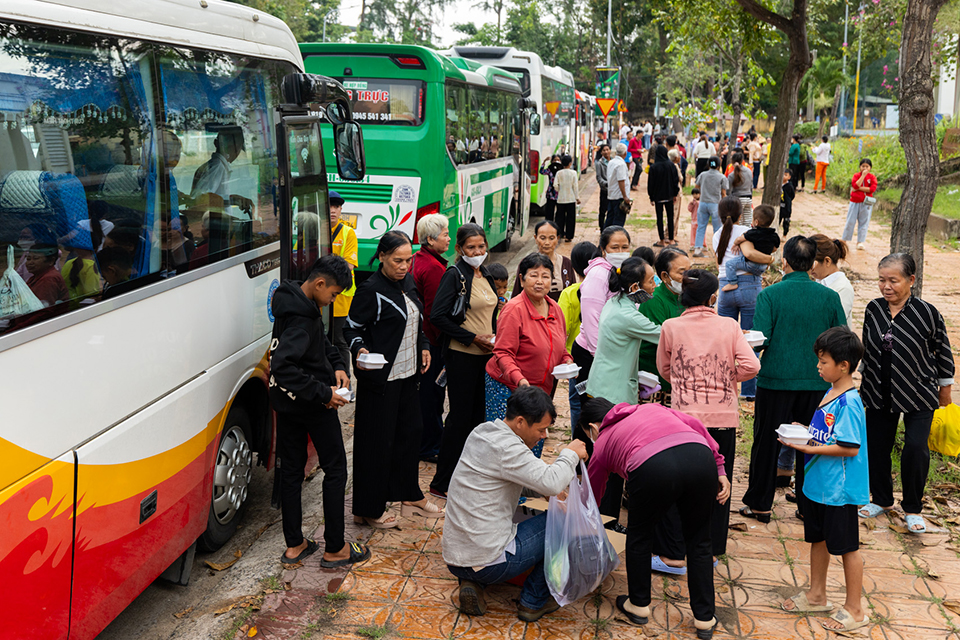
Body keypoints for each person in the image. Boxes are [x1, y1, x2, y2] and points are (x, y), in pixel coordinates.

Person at [583, 397, 729, 640]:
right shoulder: (651, 407)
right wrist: (720, 467)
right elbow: (696, 425)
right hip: (699, 456)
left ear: (593, 428)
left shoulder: (602, 441)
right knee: (700, 540)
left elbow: (593, 491)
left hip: (651, 465)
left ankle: (638, 605)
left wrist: (582, 516)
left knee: (640, 536)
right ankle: (705, 618)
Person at [443, 386, 589, 623]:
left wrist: (542, 491)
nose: (545, 436)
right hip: (489, 560)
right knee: (564, 521)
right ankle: (533, 601)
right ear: (521, 422)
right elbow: (552, 482)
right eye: (541, 429)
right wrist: (570, 454)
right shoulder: (508, 448)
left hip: (455, 556)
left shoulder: (484, 432)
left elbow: (508, 478)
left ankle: (473, 581)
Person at [269, 254, 371, 568]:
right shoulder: (302, 317)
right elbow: (282, 366)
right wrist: (324, 392)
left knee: (290, 470)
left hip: (287, 404)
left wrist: (338, 366)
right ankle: (335, 548)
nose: (332, 300)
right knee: (336, 469)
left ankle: (295, 545)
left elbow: (322, 344)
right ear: (320, 283)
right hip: (312, 404)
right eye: (334, 294)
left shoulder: (297, 302)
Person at [739, 236, 847, 524]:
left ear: (784, 261)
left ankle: (760, 504)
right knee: (812, 444)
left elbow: (760, 339)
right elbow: (841, 338)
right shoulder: (829, 297)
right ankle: (807, 505)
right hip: (817, 382)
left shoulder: (770, 296)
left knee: (766, 443)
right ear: (812, 263)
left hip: (775, 380)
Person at [657, 269, 760, 560]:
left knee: (678, 484)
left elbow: (665, 369)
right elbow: (752, 366)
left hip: (684, 418)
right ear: (713, 297)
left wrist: (683, 382)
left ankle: (673, 553)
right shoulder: (728, 326)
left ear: (683, 295)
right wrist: (729, 376)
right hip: (722, 417)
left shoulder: (671, 326)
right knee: (719, 481)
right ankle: (712, 551)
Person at [344, 230, 443, 529]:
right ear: (382, 257)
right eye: (397, 260)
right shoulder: (370, 290)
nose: (404, 266)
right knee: (376, 443)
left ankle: (409, 494)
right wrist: (360, 348)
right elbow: (350, 328)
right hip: (381, 381)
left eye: (408, 260)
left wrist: (424, 346)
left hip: (408, 376)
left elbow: (417, 322)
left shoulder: (409, 282)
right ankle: (367, 509)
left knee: (410, 434)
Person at [779, 327, 870, 633]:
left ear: (844, 365)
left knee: (847, 547)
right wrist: (805, 430)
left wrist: (806, 446)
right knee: (817, 539)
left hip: (838, 491)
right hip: (818, 486)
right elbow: (827, 434)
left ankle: (855, 609)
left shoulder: (849, 402)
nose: (818, 367)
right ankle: (817, 595)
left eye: (823, 362)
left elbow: (849, 446)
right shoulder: (830, 392)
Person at [857, 253, 954, 532]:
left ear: (911, 280)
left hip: (919, 391)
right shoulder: (874, 309)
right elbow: (867, 347)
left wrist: (945, 390)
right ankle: (882, 499)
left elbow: (944, 353)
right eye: (881, 280)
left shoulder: (927, 313)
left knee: (914, 448)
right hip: (878, 389)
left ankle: (912, 508)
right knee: (877, 446)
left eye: (893, 280)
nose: (886, 286)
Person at [429, 224, 498, 499]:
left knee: (477, 420)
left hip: (486, 358)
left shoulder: (486, 274)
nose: (477, 252)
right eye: (471, 248)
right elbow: (438, 316)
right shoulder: (455, 275)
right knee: (458, 420)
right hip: (463, 357)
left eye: (481, 246)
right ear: (459, 249)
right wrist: (471, 338)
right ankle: (441, 482)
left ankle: (467, 476)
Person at [485, 253, 574, 458]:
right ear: (522, 278)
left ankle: (527, 488)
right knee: (507, 445)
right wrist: (519, 380)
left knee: (534, 438)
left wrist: (566, 360)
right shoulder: (513, 310)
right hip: (507, 387)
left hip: (540, 390)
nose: (540, 281)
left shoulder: (555, 308)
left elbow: (560, 345)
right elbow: (503, 352)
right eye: (534, 275)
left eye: (545, 276)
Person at [713, 197, 774, 402]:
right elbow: (753, 255)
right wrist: (770, 260)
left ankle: (723, 385)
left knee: (724, 341)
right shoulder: (745, 232)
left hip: (725, 288)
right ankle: (749, 391)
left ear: (719, 215)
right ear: (742, 215)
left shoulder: (716, 235)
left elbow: (719, 263)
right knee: (751, 341)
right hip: (749, 286)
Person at [586, 257, 661, 406]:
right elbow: (663, 335)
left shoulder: (614, 302)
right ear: (634, 288)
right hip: (613, 393)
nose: (655, 285)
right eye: (651, 281)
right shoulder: (628, 316)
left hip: (601, 383)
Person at [571, 226, 632, 391]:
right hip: (593, 354)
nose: (620, 252)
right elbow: (591, 320)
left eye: (625, 247)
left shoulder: (624, 272)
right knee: (593, 409)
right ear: (603, 250)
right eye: (615, 247)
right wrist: (601, 358)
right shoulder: (598, 274)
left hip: (614, 352)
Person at [412, 212, 451, 464]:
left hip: (421, 339)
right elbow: (435, 311)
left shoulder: (419, 260)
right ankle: (430, 445)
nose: (448, 238)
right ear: (430, 239)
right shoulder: (434, 268)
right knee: (432, 395)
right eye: (445, 234)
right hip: (432, 343)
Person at [636, 248, 691, 405]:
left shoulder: (686, 297)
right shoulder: (654, 301)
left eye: (690, 271)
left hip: (679, 374)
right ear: (665, 276)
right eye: (682, 273)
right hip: (656, 378)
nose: (688, 277)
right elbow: (664, 339)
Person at [558, 241, 601, 440]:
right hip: (598, 353)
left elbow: (561, 328)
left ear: (574, 267)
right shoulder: (603, 290)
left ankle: (578, 440)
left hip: (575, 358)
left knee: (577, 402)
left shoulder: (569, 293)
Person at [721, 205, 781, 292]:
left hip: (751, 264)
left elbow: (740, 238)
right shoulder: (774, 236)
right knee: (757, 270)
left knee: (730, 264)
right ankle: (758, 278)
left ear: (756, 222)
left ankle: (732, 283)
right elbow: (775, 248)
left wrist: (736, 243)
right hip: (763, 265)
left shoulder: (753, 233)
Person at [511, 220, 573, 302]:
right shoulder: (527, 263)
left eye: (551, 238)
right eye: (542, 238)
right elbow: (517, 293)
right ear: (536, 238)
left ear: (557, 239)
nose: (547, 243)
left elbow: (572, 293)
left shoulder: (566, 263)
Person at [809, 234, 854, 330]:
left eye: (812, 264)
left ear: (827, 261)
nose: (809, 268)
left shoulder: (842, 288)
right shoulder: (818, 282)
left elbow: (834, 322)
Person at [693, 156, 728, 257]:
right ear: (719, 165)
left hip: (703, 203)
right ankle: (718, 250)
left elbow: (696, 187)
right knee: (717, 228)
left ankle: (697, 249)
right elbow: (723, 193)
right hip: (715, 204)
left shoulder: (703, 175)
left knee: (701, 226)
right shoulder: (721, 177)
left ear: (708, 164)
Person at [648, 145, 680, 247]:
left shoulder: (653, 167)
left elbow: (650, 183)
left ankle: (661, 240)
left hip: (658, 197)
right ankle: (671, 239)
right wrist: (675, 193)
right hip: (670, 195)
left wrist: (651, 197)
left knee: (659, 218)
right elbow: (676, 181)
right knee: (670, 217)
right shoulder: (671, 165)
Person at [841, 159, 877, 251]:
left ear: (870, 168)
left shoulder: (872, 177)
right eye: (863, 166)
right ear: (860, 167)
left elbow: (872, 189)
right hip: (855, 201)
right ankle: (844, 240)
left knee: (864, 222)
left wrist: (858, 188)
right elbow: (855, 185)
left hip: (867, 202)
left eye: (867, 166)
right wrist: (863, 176)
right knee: (850, 221)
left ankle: (860, 241)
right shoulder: (856, 176)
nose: (865, 168)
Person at [554, 155, 580, 241]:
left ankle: (560, 234)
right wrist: (577, 198)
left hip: (561, 199)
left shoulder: (558, 173)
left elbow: (555, 185)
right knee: (570, 218)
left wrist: (560, 191)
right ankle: (569, 236)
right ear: (570, 163)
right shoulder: (573, 173)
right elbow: (575, 187)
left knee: (559, 218)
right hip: (571, 199)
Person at [606, 144, 632, 229]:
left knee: (610, 219)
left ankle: (606, 237)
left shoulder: (611, 162)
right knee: (618, 221)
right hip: (619, 196)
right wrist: (625, 196)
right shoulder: (621, 164)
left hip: (611, 195)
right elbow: (621, 181)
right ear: (625, 153)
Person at [727, 151, 754, 226]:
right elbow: (751, 185)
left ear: (732, 161)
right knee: (747, 222)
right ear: (742, 161)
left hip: (738, 199)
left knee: (738, 222)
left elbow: (728, 190)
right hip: (748, 198)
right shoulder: (749, 171)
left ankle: (739, 237)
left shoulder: (732, 175)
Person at [539, 155, 561, 221]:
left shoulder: (562, 170)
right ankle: (549, 223)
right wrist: (544, 161)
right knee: (549, 211)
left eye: (558, 160)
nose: (556, 161)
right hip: (550, 193)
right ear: (551, 161)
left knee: (559, 212)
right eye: (555, 160)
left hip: (559, 193)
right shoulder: (549, 169)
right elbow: (541, 171)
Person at [595, 143, 611, 230]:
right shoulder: (599, 163)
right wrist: (606, 183)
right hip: (605, 190)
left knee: (611, 210)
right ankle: (602, 228)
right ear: (601, 152)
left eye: (607, 150)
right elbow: (599, 177)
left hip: (612, 190)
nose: (606, 152)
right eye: (604, 150)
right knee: (602, 210)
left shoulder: (613, 161)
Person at [780, 169, 796, 235]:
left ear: (789, 177)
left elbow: (792, 195)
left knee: (786, 221)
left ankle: (784, 234)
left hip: (786, 207)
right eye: (783, 174)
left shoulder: (789, 187)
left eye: (786, 175)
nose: (784, 176)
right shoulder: (778, 185)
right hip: (779, 206)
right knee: (778, 219)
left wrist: (788, 201)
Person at [688, 187, 701, 252]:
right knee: (693, 233)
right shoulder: (693, 202)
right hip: (694, 220)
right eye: (693, 194)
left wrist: (697, 202)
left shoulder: (701, 202)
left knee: (701, 232)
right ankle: (692, 244)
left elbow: (700, 206)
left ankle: (703, 245)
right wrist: (691, 204)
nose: (695, 195)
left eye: (696, 194)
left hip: (700, 220)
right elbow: (689, 209)